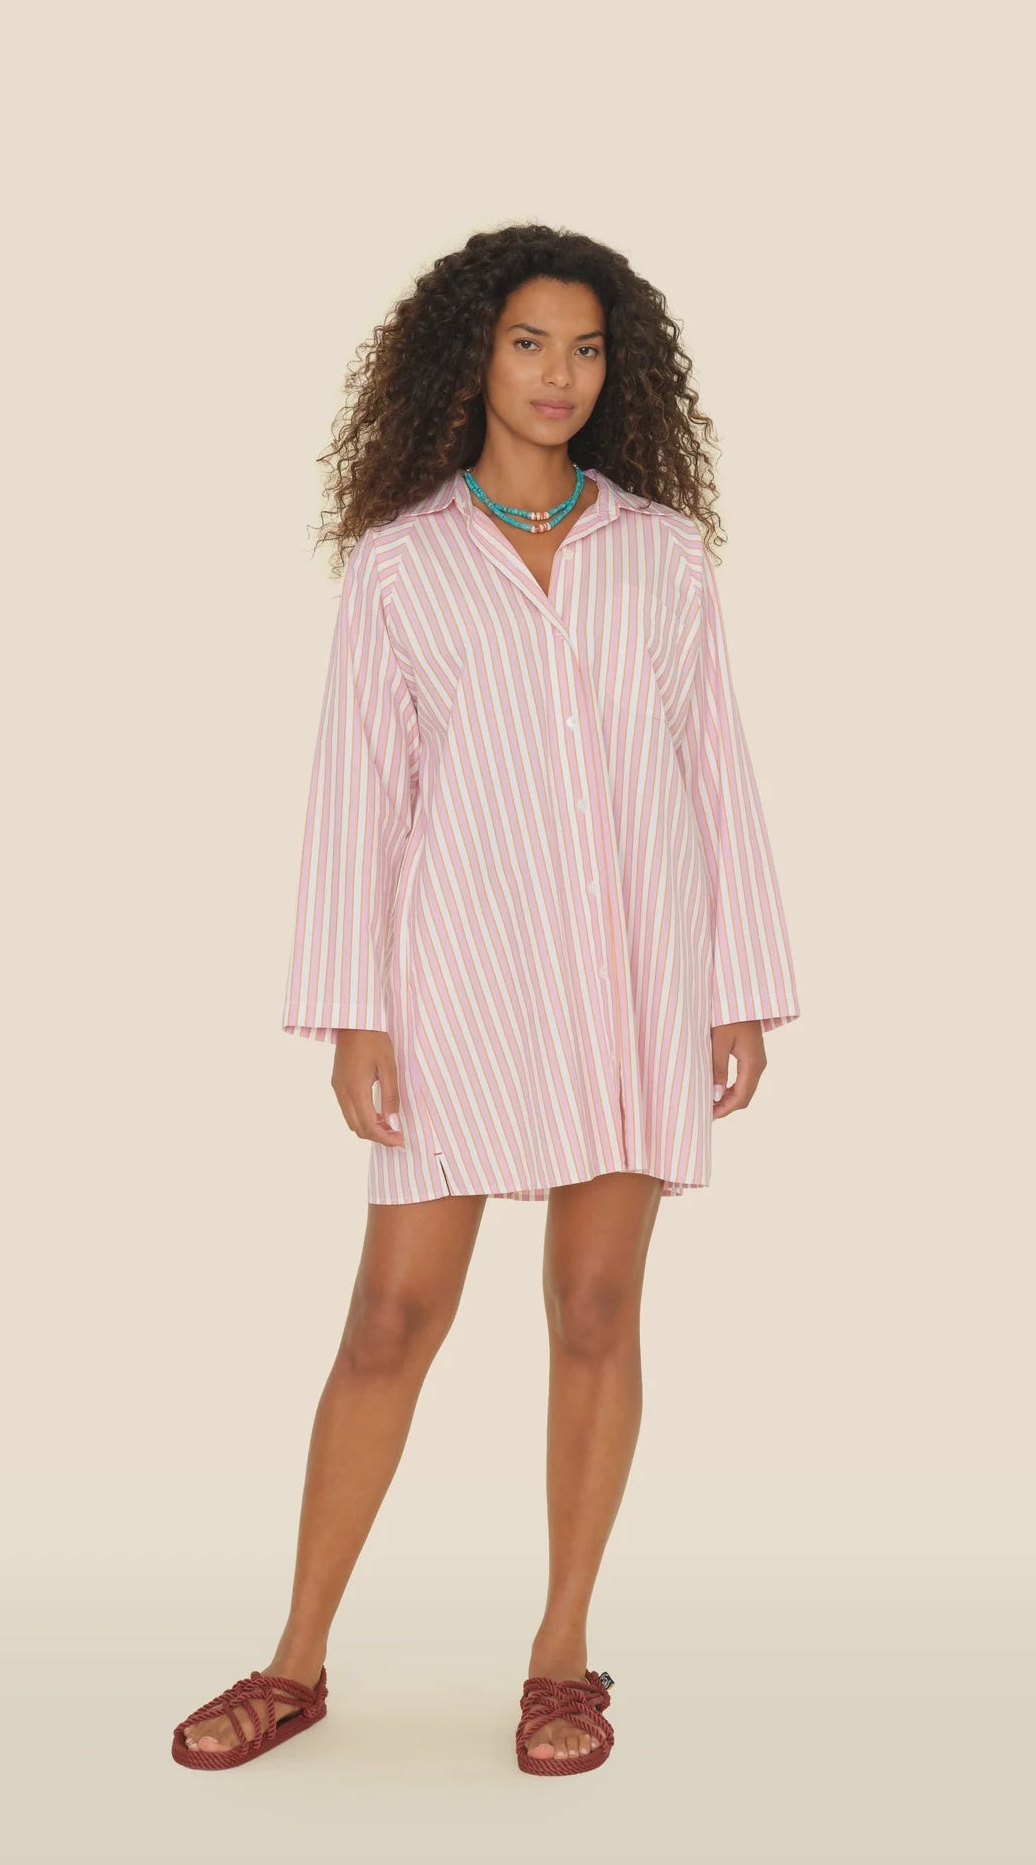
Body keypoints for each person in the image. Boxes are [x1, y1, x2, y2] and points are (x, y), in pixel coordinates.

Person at [170, 224, 801, 1778]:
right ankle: (297, 1659)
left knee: (596, 1308)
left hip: (638, 971)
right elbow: (353, 801)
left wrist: (741, 987)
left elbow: (713, 769)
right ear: (475, 355)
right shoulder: (398, 567)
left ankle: (563, 1658)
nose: (559, 375)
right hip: (458, 977)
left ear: (617, 369)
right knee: (394, 1315)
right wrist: (355, 1014)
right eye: (530, 342)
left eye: (587, 348)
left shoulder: (661, 552)